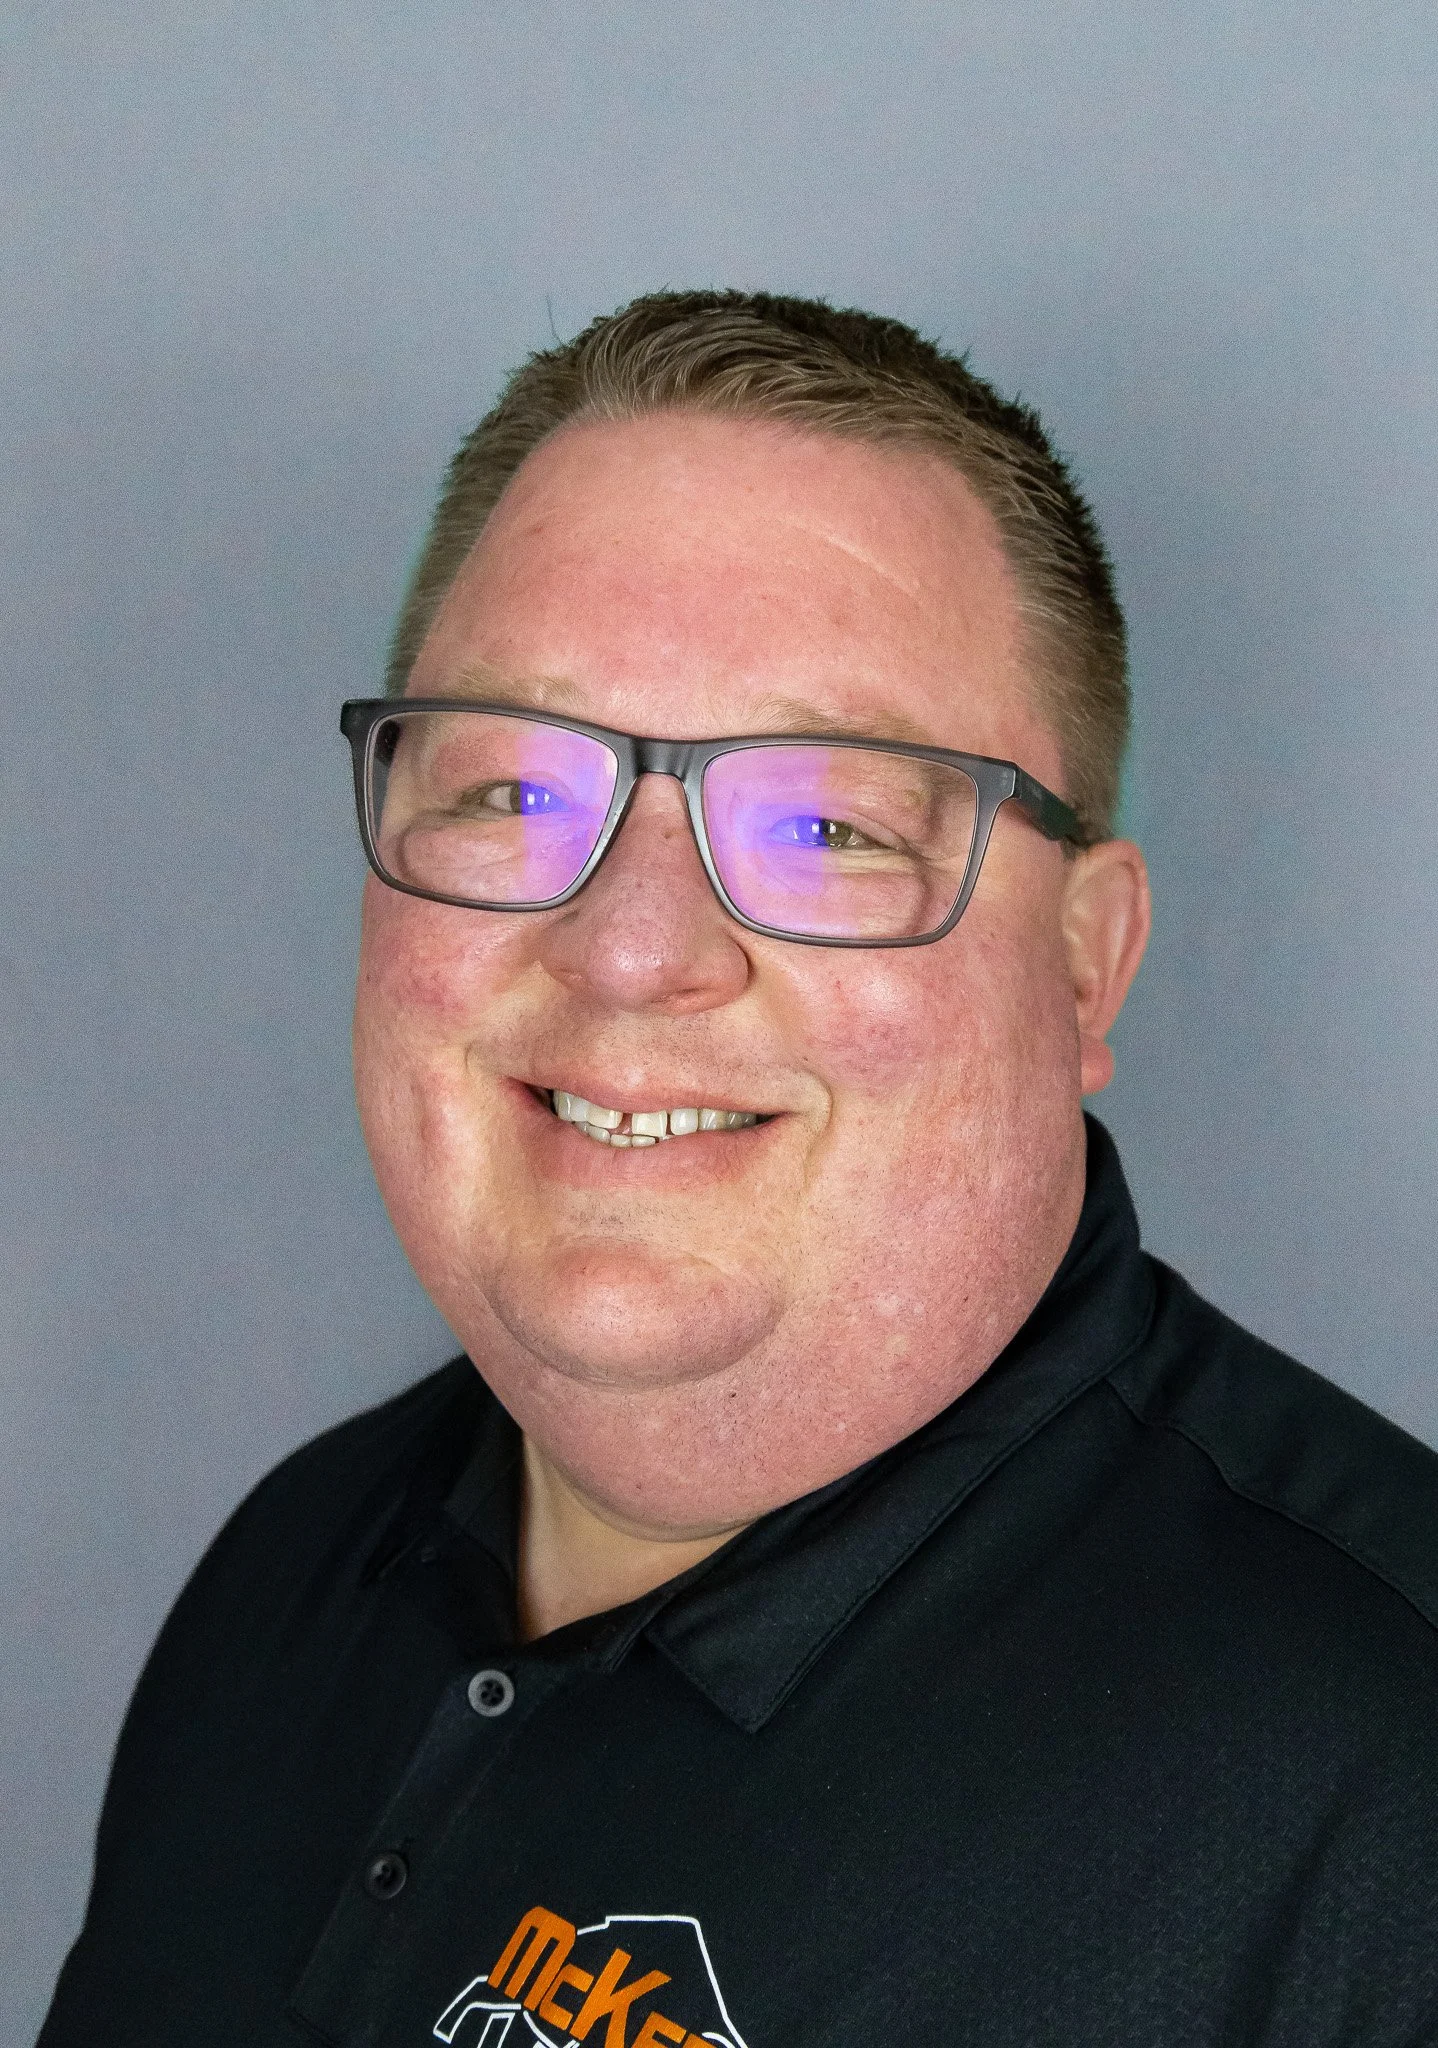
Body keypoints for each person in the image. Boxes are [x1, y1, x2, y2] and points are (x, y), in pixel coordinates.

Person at [40, 291, 1438, 2048]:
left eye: (829, 827)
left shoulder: (1388, 1811)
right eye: (511, 792)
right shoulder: (291, 1570)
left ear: (1085, 965)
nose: (627, 952)